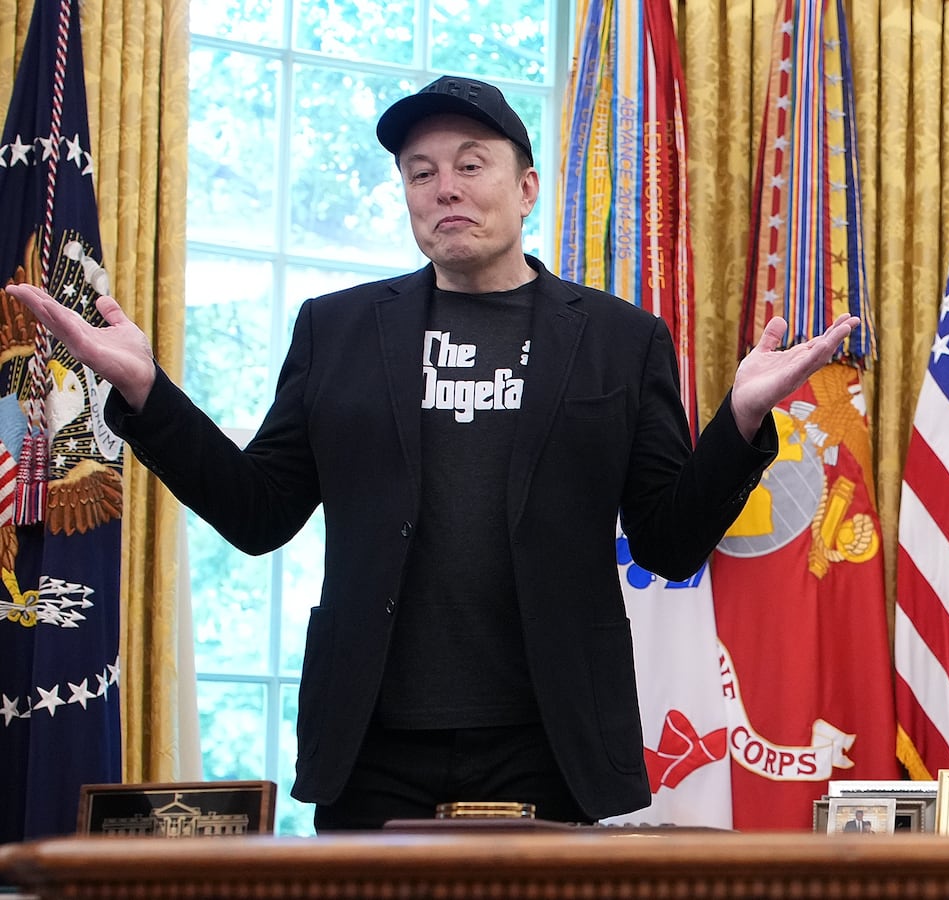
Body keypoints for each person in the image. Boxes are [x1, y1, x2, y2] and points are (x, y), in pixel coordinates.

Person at [5, 75, 858, 832]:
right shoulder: (336, 331)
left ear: (526, 189)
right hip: (370, 744)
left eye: (471, 163)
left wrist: (740, 421)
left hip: (547, 741)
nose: (444, 187)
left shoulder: (618, 341)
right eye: (421, 172)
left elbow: (670, 543)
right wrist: (149, 394)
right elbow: (258, 512)